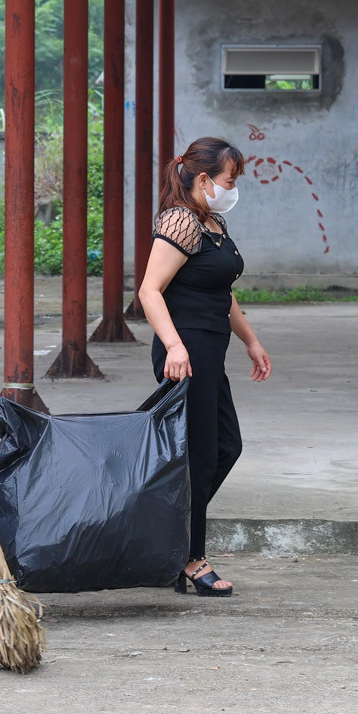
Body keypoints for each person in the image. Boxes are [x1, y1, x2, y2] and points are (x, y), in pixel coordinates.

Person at [137, 136, 271, 596]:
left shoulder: (210, 221)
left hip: (211, 351)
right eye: (229, 180)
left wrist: (250, 339)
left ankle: (164, 538)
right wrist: (174, 346)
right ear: (202, 179)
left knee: (223, 448)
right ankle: (191, 558)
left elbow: (222, 292)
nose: (233, 188)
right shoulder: (179, 221)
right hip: (185, 352)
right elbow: (150, 291)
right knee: (196, 456)